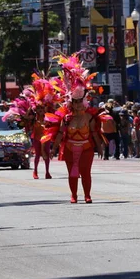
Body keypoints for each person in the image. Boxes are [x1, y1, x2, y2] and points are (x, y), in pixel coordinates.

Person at [50, 53, 109, 203]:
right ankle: (74, 195)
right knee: (72, 173)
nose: (76, 104)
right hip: (69, 148)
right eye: (74, 102)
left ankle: (87, 195)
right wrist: (54, 148)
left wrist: (100, 148)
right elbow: (60, 134)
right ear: (71, 102)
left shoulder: (89, 117)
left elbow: (95, 134)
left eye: (79, 101)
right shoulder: (67, 118)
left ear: (83, 101)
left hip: (86, 148)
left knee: (85, 172)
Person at [2, 75, 63, 179]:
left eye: (42, 109)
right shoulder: (33, 118)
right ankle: (35, 171)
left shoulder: (48, 117)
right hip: (36, 138)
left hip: (46, 138)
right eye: (39, 109)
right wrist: (30, 108)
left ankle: (47, 172)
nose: (40, 111)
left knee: (46, 155)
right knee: (37, 155)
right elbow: (25, 118)